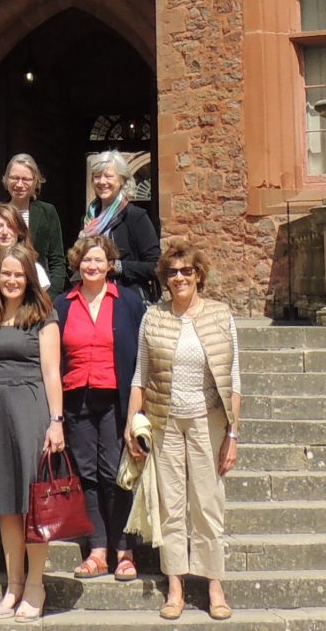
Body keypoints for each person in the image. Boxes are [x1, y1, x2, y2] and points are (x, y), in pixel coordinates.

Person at [125, 240, 241, 621]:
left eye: (186, 271)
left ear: (199, 275)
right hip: (165, 421)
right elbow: (140, 375)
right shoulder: (153, 317)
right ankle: (175, 585)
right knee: (171, 505)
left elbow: (233, 378)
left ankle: (213, 585)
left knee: (208, 504)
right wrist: (131, 422)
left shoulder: (220, 315)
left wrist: (233, 435)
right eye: (172, 272)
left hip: (209, 420)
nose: (179, 278)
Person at [0, 243, 64, 623]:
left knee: (33, 505)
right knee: (6, 506)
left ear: (30, 278)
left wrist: (56, 422)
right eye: (6, 274)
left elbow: (51, 373)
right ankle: (13, 584)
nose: (12, 280)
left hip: (31, 408)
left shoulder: (44, 315)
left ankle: (35, 585)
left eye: (18, 274)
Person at [53, 235, 145, 581]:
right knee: (86, 476)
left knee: (115, 474)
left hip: (114, 400)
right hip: (76, 398)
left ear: (109, 265)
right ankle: (97, 549)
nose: (92, 266)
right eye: (86, 261)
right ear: (78, 265)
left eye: (99, 260)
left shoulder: (129, 303)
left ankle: (124, 549)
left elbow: (141, 356)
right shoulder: (63, 304)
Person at [78, 150, 161, 303]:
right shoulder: (90, 218)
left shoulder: (135, 216)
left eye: (109, 176)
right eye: (97, 176)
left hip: (125, 300)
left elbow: (155, 266)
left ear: (122, 180)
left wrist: (117, 266)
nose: (102, 182)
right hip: (91, 298)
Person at [0, 154, 65, 285]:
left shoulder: (47, 212)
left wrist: (51, 297)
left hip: (37, 288)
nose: (19, 184)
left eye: (26, 179)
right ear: (6, 179)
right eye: (14, 178)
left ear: (35, 181)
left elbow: (57, 260)